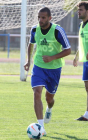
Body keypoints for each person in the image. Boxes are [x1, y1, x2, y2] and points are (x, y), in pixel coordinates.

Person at [24, 7, 71, 135]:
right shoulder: (34, 29)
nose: (40, 20)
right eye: (39, 17)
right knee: (37, 92)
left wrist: (52, 58)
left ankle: (49, 109)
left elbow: (68, 50)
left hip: (54, 69)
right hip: (38, 66)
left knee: (49, 98)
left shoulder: (58, 31)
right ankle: (41, 127)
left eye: (43, 17)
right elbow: (31, 44)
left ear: (50, 18)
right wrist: (28, 61)